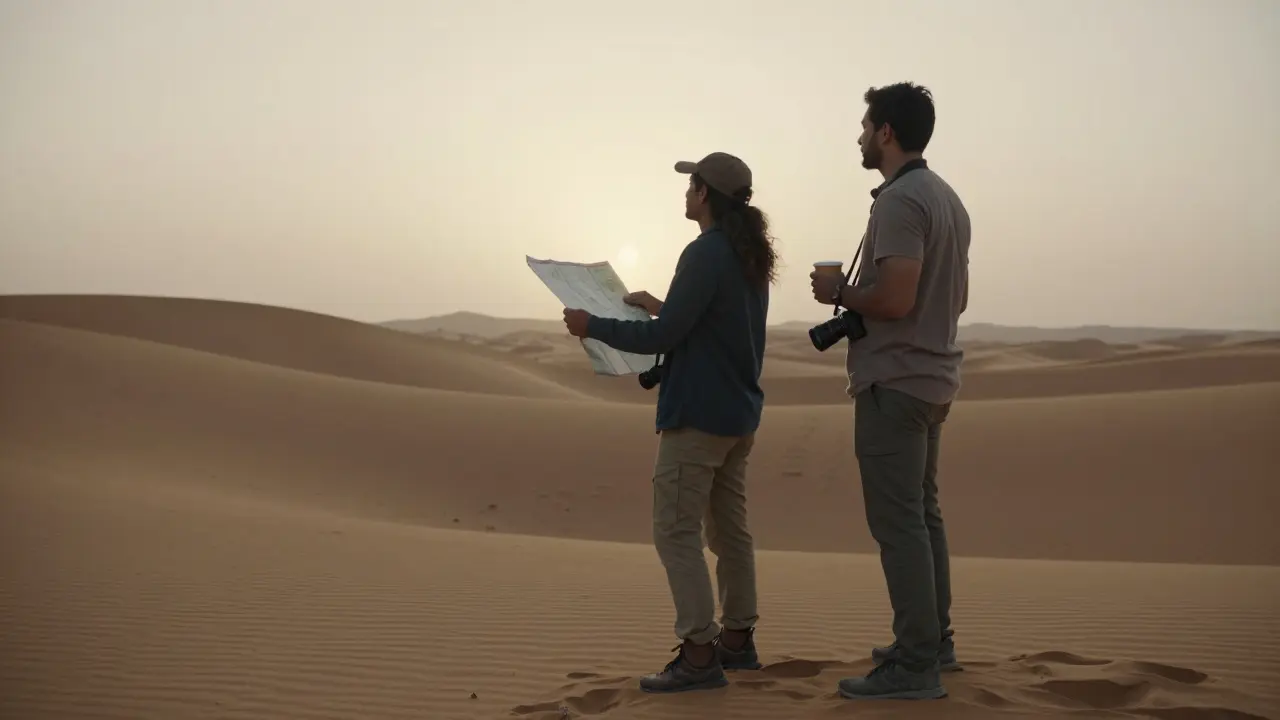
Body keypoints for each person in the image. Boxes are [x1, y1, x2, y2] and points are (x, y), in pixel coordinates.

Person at [562, 151, 777, 693]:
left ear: (705, 194)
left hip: (699, 417)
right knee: (729, 530)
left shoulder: (705, 252)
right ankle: (737, 641)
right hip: (737, 417)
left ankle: (700, 655)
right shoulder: (746, 254)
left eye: (692, 185)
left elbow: (661, 340)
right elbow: (705, 321)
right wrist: (663, 303)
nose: (685, 193)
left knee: (675, 532)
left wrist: (593, 325)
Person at [809, 82, 971, 701]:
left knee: (899, 523)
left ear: (886, 133)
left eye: (864, 125)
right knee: (922, 517)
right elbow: (950, 298)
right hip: (931, 380)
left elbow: (898, 299)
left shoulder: (901, 202)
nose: (858, 135)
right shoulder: (947, 198)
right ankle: (934, 641)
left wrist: (840, 296)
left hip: (896, 382)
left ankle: (914, 665)